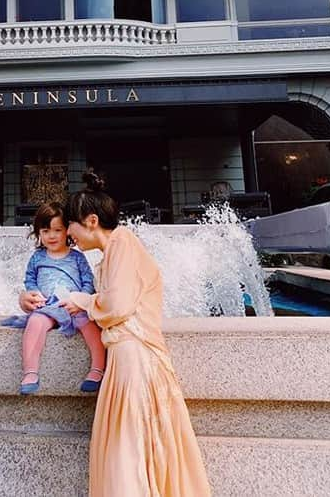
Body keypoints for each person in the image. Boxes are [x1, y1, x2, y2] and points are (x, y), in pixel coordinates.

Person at [59, 172, 211, 497]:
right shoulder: (114, 250)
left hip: (135, 358)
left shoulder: (123, 242)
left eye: (69, 224)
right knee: (135, 445)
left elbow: (118, 305)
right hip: (128, 357)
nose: (67, 233)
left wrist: (82, 300)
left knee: (129, 447)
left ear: (91, 220)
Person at [4, 200, 106, 396]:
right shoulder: (37, 258)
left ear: (67, 231)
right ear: (38, 234)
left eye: (57, 230)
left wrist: (81, 299)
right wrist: (34, 293)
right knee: (35, 323)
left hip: (73, 304)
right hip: (48, 306)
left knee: (90, 325)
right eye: (45, 231)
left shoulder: (76, 257)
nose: (51, 236)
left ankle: (97, 368)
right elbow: (30, 279)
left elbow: (87, 280)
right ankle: (30, 371)